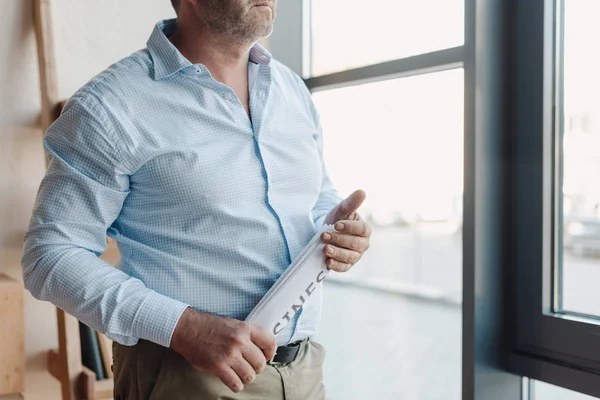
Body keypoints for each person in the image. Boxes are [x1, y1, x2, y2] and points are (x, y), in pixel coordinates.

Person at [21, 0, 372, 398]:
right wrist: (184, 327)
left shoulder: (291, 90)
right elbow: (49, 255)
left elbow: (313, 197)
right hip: (186, 376)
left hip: (304, 370)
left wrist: (341, 234)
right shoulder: (110, 105)